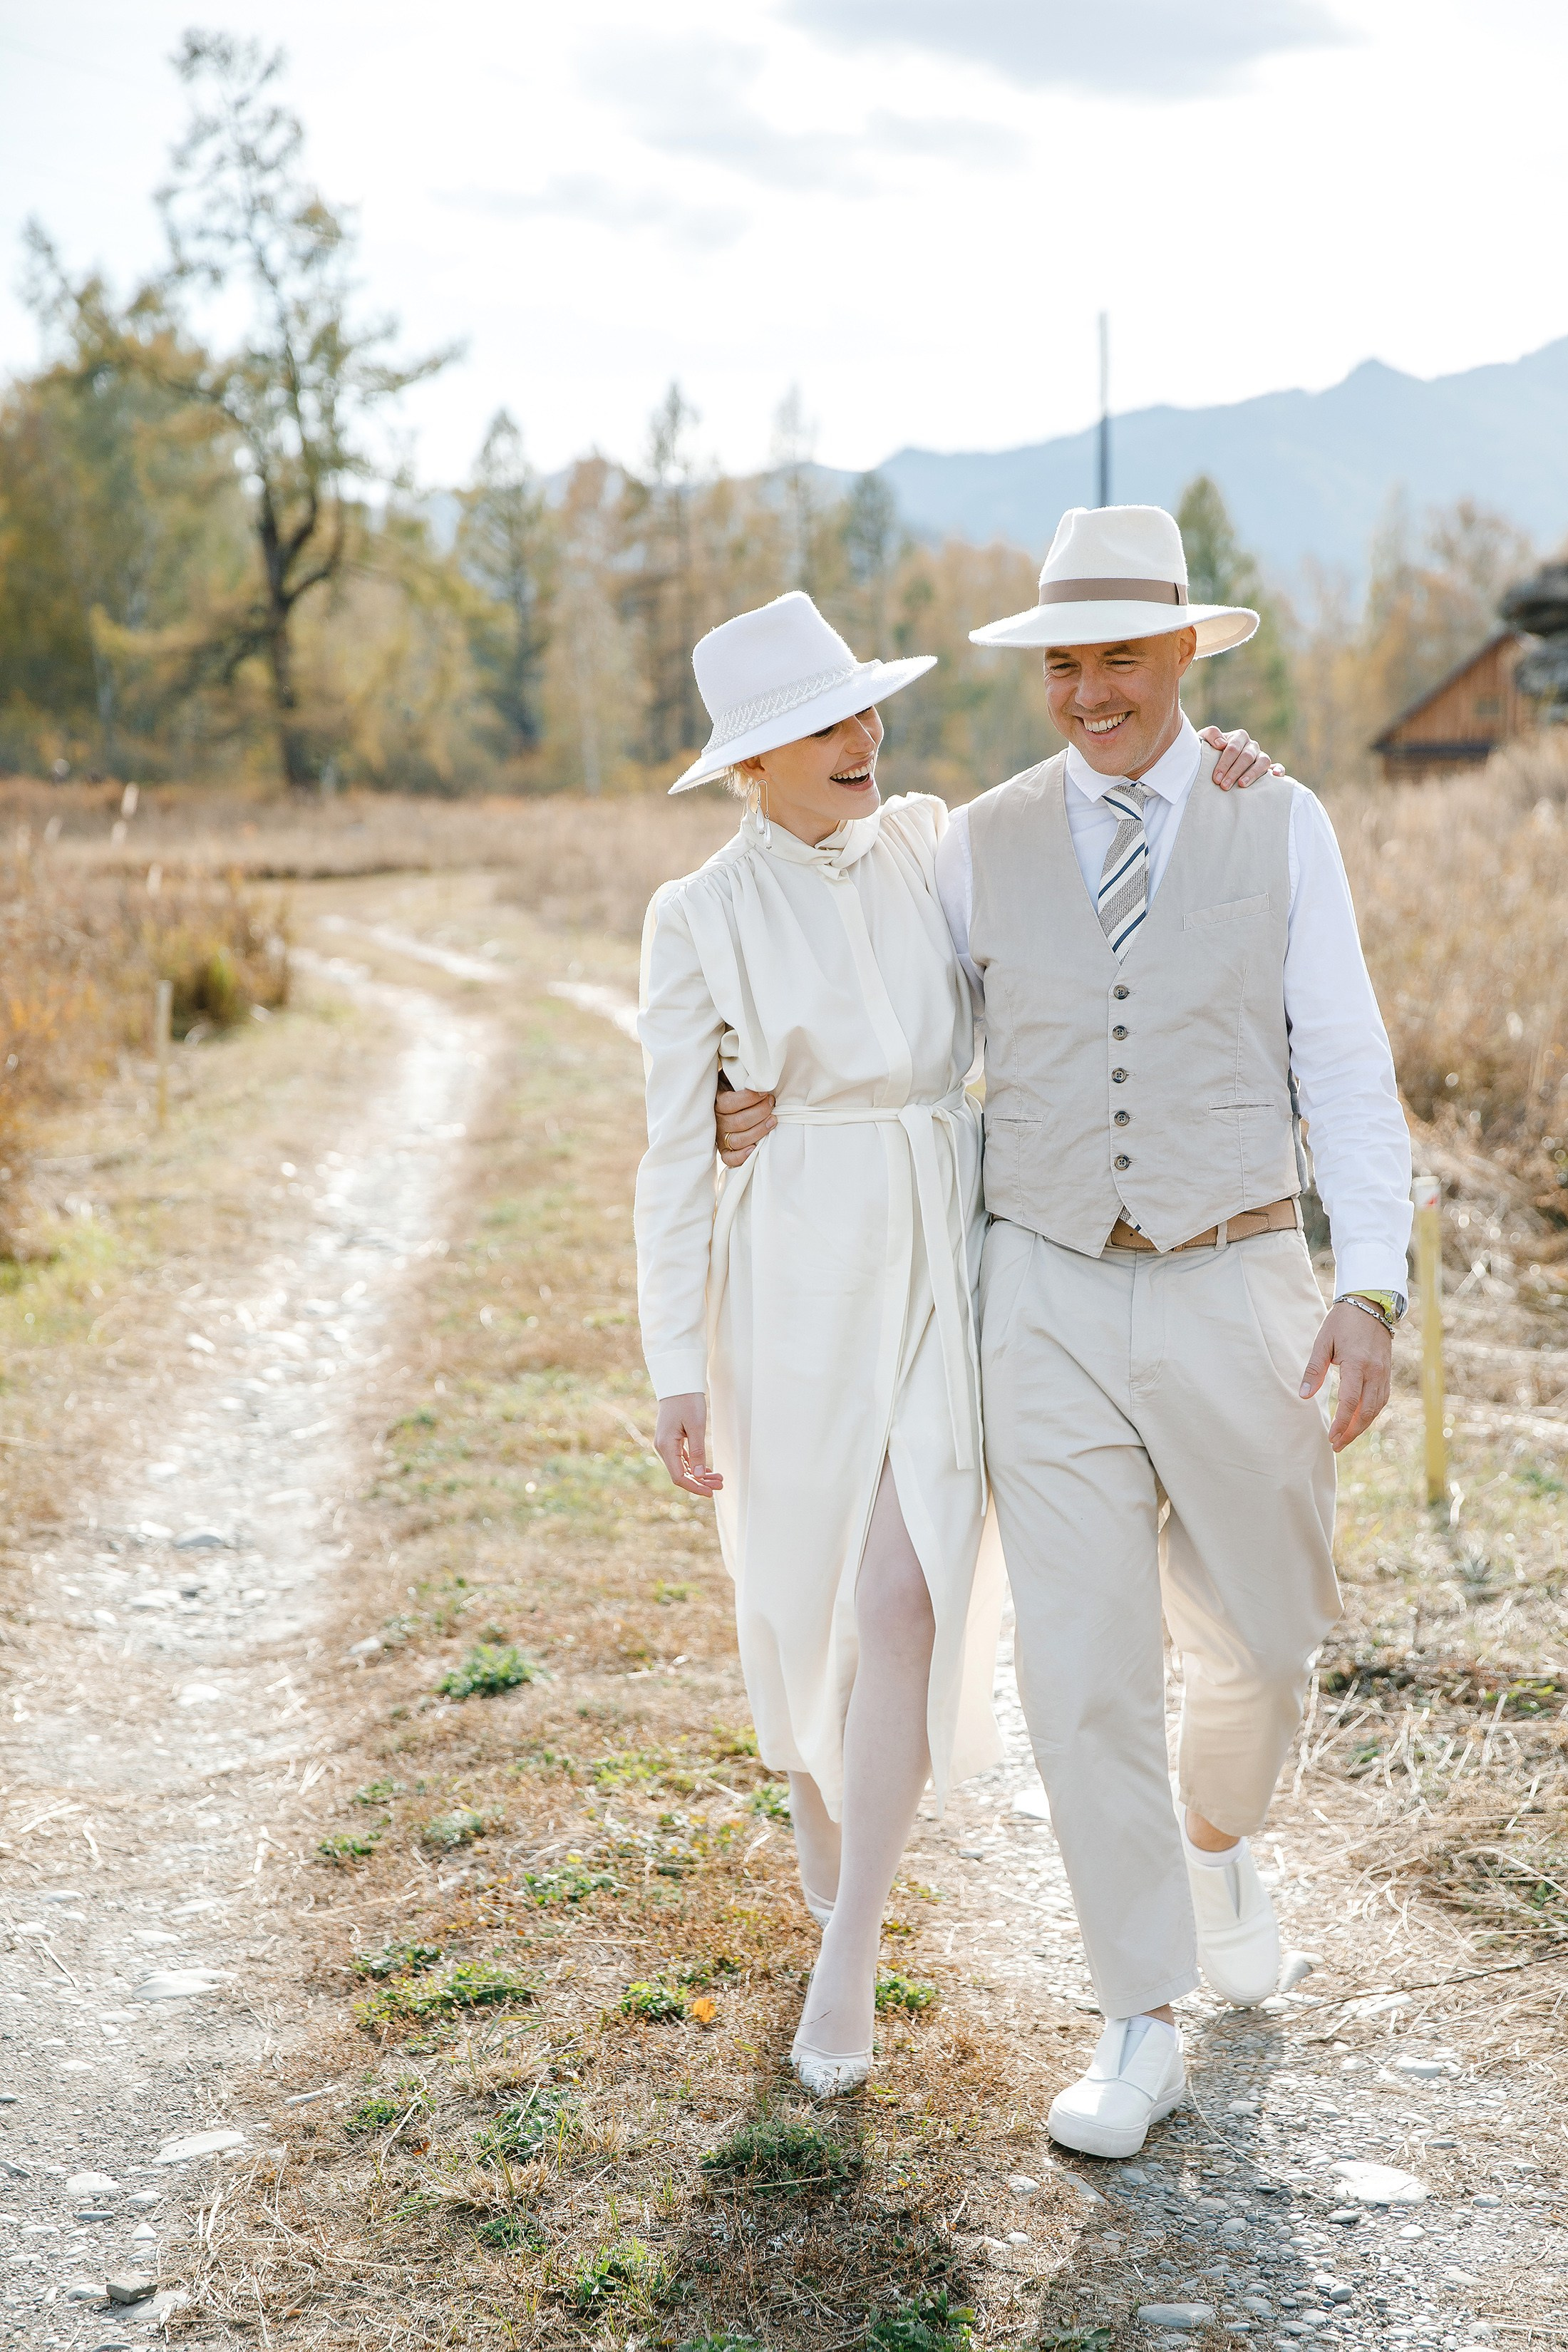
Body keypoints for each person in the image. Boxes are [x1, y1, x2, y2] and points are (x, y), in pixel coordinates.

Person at [636, 585, 1275, 2098]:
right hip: (794, 1271)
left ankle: (849, 1947)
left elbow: (1089, 825)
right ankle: (822, 1815)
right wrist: (675, 1365)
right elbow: (669, 1154)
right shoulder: (696, 915)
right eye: (822, 726)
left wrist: (1211, 768)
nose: (862, 737)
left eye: (863, 709)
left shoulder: (930, 841)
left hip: (948, 1240)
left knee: (906, 1591)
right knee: (806, 1607)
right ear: (751, 762)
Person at [946, 503, 1411, 2158]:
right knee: (1078, 1673)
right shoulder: (975, 843)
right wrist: (744, 1091)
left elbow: (1340, 1060)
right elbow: (893, 1041)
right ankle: (1134, 2019)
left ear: (1180, 655)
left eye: (1120, 658)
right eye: (1061, 664)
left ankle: (1216, 1843)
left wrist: (1368, 1284)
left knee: (1268, 1644)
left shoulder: (1276, 817)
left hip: (1237, 1277)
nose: (1089, 692)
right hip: (1043, 1288)